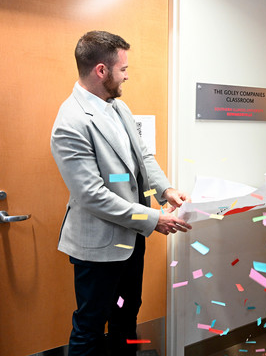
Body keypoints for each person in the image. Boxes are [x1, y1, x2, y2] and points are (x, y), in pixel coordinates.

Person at [51, 30, 192, 356]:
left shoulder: (118, 107)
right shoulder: (70, 122)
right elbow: (92, 194)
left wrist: (165, 190)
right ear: (101, 70)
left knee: (126, 317)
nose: (127, 76)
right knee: (89, 326)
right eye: (123, 69)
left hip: (131, 240)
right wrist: (154, 219)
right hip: (98, 247)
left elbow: (142, 156)